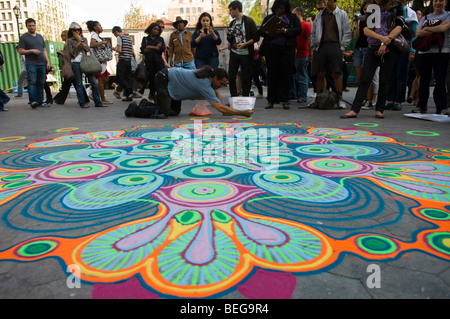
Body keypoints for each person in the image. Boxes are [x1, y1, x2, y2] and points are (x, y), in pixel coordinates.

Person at [341, 0, 405, 119]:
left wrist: (386, 41)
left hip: (390, 47)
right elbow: (366, 30)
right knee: (365, 79)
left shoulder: (396, 6)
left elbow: (399, 26)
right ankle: (355, 109)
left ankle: (379, 109)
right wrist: (381, 39)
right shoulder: (372, 8)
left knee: (384, 79)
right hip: (373, 46)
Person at [152, 66, 253, 118]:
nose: (222, 86)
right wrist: (242, 113)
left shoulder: (210, 77)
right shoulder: (205, 84)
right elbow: (219, 107)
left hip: (173, 84)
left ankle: (151, 105)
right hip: (164, 78)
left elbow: (219, 101)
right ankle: (137, 109)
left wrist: (217, 90)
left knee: (174, 112)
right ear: (215, 78)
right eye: (222, 83)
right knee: (163, 113)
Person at [310, 0, 352, 109]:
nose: (327, 2)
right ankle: (318, 99)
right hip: (321, 45)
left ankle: (340, 98)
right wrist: (314, 46)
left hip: (335, 45)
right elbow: (313, 32)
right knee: (320, 74)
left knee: (336, 74)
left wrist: (342, 46)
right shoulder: (320, 15)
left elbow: (347, 31)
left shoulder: (342, 14)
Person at [260, 0, 301, 110]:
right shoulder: (269, 18)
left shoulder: (292, 17)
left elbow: (298, 29)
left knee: (286, 74)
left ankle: (285, 99)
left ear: (286, 8)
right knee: (272, 74)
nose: (280, 10)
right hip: (271, 49)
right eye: (278, 8)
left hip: (287, 49)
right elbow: (261, 32)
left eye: (282, 8)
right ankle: (271, 100)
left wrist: (286, 31)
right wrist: (269, 30)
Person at [413, 0, 450, 115]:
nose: (437, 3)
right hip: (425, 52)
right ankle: (421, 106)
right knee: (424, 78)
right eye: (435, 1)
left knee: (440, 79)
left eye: (440, 1)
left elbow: (443, 29)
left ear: (445, 2)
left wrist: (427, 28)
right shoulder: (425, 17)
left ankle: (441, 107)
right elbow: (418, 33)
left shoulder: (448, 15)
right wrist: (437, 27)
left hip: (442, 51)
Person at [386, 0, 419, 111]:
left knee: (401, 73)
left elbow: (414, 34)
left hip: (404, 47)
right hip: (392, 46)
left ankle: (398, 100)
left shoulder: (410, 13)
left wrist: (412, 50)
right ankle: (390, 99)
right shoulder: (390, 11)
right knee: (391, 72)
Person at [66, 22, 103, 108]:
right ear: (71, 31)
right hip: (75, 62)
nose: (76, 32)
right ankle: (82, 102)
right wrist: (76, 46)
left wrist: (80, 41)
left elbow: (87, 49)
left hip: (86, 62)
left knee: (93, 82)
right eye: (74, 30)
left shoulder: (84, 39)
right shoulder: (70, 41)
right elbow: (71, 54)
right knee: (79, 83)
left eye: (78, 30)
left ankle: (98, 102)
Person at [227, 0, 260, 97]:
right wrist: (229, 36)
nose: (230, 13)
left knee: (246, 76)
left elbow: (256, 37)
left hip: (245, 53)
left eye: (231, 10)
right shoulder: (232, 23)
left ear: (236, 9)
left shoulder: (249, 21)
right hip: (234, 52)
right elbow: (230, 39)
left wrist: (245, 43)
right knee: (231, 76)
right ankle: (234, 97)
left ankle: (245, 98)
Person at [17, 18, 50, 108]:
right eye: (30, 26)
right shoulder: (24, 37)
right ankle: (33, 101)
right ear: (27, 26)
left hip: (41, 63)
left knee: (41, 83)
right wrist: (31, 51)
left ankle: (40, 101)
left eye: (33, 25)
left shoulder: (40, 37)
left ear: (35, 25)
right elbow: (20, 51)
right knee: (32, 82)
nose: (32, 27)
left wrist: (47, 61)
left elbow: (44, 50)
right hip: (31, 63)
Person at [54, 30, 89, 105]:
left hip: (69, 65)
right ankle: (83, 98)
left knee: (74, 82)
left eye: (63, 35)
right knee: (73, 83)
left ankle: (60, 99)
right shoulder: (69, 43)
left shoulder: (68, 44)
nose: (62, 37)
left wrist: (60, 53)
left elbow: (68, 55)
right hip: (70, 65)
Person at [87, 20, 112, 105]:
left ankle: (95, 94)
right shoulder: (94, 35)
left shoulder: (98, 36)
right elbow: (92, 44)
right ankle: (102, 98)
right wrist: (102, 42)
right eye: (99, 26)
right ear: (95, 27)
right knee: (101, 79)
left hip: (102, 61)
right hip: (99, 61)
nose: (101, 27)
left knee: (105, 79)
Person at [291, 7, 311, 104]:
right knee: (294, 75)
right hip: (294, 54)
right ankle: (294, 94)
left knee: (302, 75)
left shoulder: (305, 25)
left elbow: (309, 39)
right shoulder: (294, 26)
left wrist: (311, 53)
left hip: (302, 54)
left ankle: (303, 96)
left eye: (293, 14)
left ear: (298, 14)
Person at [141, 23, 166, 101]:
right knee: (151, 79)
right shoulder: (145, 39)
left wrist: (150, 47)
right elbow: (143, 50)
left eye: (157, 30)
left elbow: (162, 49)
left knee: (160, 79)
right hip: (150, 63)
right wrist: (156, 47)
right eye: (154, 29)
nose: (156, 31)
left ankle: (160, 96)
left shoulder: (160, 39)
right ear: (150, 29)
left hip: (159, 63)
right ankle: (152, 95)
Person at [112, 26, 135, 102]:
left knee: (120, 78)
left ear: (115, 32)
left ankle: (130, 90)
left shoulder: (119, 37)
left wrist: (114, 48)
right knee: (127, 78)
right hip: (129, 60)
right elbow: (132, 51)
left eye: (114, 34)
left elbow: (119, 50)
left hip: (122, 60)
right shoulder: (129, 38)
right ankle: (129, 96)